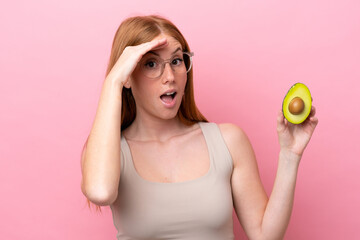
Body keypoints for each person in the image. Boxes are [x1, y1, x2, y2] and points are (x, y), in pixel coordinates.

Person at [80, 15, 318, 240]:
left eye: (176, 61)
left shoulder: (228, 141)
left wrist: (290, 155)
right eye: (151, 64)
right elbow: (100, 192)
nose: (170, 76)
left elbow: (264, 235)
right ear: (127, 76)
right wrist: (112, 82)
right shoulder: (109, 152)